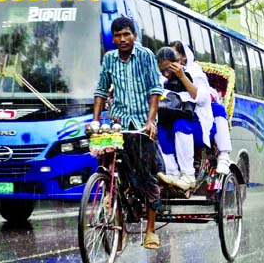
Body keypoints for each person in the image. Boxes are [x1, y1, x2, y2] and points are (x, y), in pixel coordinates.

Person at [91, 16, 164, 250]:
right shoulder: (109, 59)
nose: (122, 39)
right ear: (113, 38)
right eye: (118, 36)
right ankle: (116, 218)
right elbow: (101, 90)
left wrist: (151, 121)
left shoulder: (145, 56)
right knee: (110, 167)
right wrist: (95, 120)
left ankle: (150, 230)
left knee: (145, 175)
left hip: (142, 123)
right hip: (119, 123)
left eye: (126, 34)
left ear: (134, 35)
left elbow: (155, 89)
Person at [169, 41, 233, 174]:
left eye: (174, 54)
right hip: (174, 117)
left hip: (197, 120)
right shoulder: (164, 72)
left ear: (184, 57)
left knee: (218, 109)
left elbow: (200, 97)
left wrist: (182, 76)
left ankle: (224, 155)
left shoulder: (195, 72)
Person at [155, 46, 214, 191]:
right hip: (169, 122)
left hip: (195, 124)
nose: (167, 73)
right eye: (163, 70)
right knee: (158, 131)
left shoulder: (193, 73)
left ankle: (188, 174)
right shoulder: (161, 79)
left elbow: (202, 99)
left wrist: (182, 76)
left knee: (180, 124)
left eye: (169, 69)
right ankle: (172, 172)